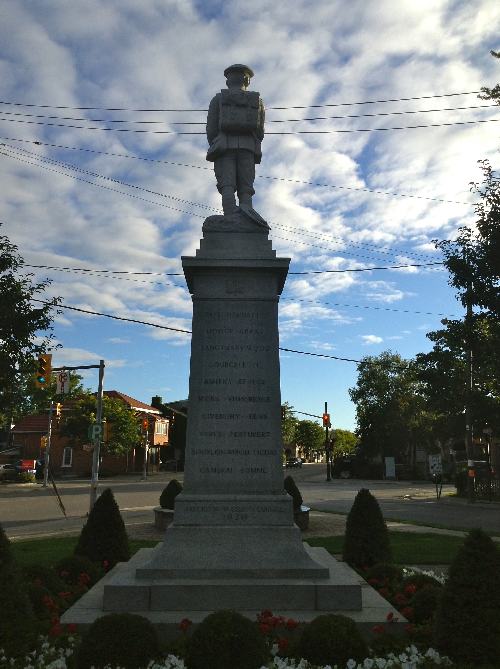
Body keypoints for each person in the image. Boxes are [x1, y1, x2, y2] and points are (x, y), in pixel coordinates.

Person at [206, 64, 265, 216]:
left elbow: (211, 128)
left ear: (228, 81)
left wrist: (216, 142)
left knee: (227, 185)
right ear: (247, 81)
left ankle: (230, 216)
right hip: (248, 147)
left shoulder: (218, 99)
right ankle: (247, 215)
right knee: (246, 187)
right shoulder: (257, 101)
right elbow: (260, 131)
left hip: (224, 146)